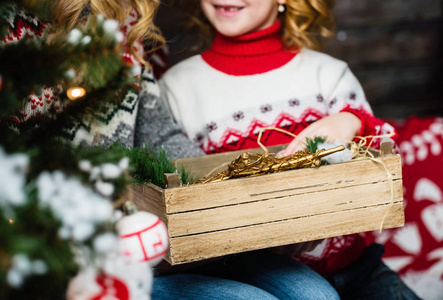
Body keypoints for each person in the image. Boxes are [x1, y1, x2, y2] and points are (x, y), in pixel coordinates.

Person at [158, 0, 420, 299]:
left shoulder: (328, 74)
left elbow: (384, 168)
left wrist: (353, 121)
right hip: (256, 278)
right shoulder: (176, 88)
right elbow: (186, 204)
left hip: (356, 269)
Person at [1, 0, 204, 159]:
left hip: (121, 208)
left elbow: (157, 139)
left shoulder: (121, 13)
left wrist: (224, 178)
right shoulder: (9, 22)